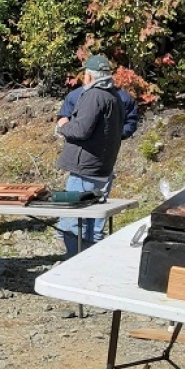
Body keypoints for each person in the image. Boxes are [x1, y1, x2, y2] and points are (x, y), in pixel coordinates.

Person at [57, 55, 138, 245]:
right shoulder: (116, 97)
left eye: (85, 74)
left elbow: (81, 129)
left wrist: (62, 126)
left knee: (74, 223)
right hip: (103, 168)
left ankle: (74, 266)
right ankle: (88, 264)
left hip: (85, 169)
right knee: (93, 224)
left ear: (90, 76)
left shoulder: (94, 95)